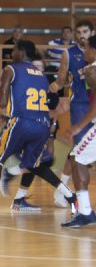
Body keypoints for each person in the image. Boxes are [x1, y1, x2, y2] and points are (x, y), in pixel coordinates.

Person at [0, 40, 75, 220]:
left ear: (22, 52)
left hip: (21, 122)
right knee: (34, 166)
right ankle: (71, 196)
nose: (12, 53)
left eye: (14, 50)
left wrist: (5, 100)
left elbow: (1, 102)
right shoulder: (41, 75)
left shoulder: (11, 69)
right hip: (42, 125)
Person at [49, 20, 95, 208]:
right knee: (78, 151)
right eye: (78, 32)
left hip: (92, 103)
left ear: (92, 32)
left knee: (81, 152)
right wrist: (54, 86)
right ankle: (64, 189)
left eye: (85, 31)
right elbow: (60, 80)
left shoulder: (93, 52)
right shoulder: (70, 54)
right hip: (81, 105)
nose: (81, 34)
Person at [61, 35, 96, 227]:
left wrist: (79, 126)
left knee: (76, 158)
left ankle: (85, 212)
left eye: (88, 49)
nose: (85, 52)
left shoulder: (92, 71)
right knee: (76, 157)